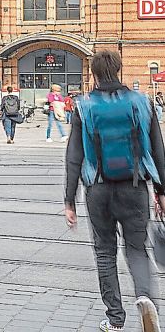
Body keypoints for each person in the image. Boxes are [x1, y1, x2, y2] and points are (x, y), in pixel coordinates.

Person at [66, 50, 165, 332]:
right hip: (134, 187)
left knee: (105, 253)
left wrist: (69, 199)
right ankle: (145, 298)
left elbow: (74, 156)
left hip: (97, 189)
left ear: (93, 73)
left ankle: (115, 318)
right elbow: (157, 151)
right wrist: (161, 190)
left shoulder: (83, 106)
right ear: (119, 69)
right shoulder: (141, 103)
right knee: (136, 250)